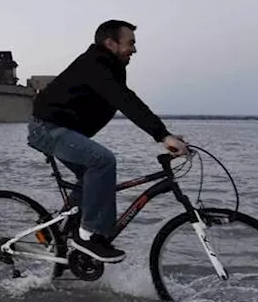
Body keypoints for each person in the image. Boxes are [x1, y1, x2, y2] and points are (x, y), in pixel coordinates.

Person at [28, 20, 188, 263]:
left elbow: (127, 99)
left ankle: (51, 230)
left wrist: (165, 135)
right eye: (130, 43)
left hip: (65, 130)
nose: (134, 50)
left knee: (91, 179)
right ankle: (89, 236)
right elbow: (124, 99)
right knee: (102, 161)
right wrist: (162, 135)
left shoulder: (110, 67)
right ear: (110, 43)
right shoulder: (95, 64)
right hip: (47, 128)